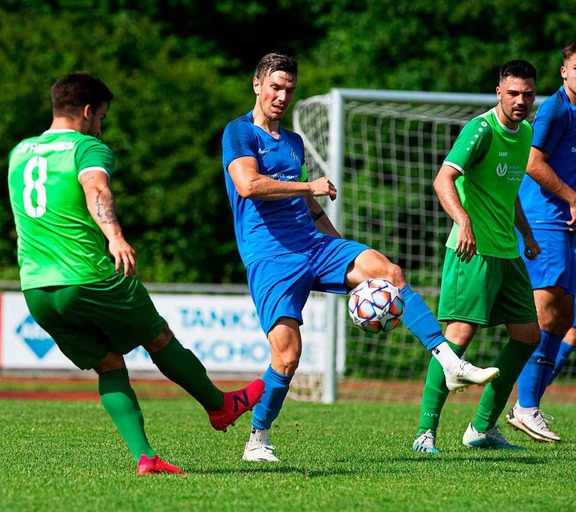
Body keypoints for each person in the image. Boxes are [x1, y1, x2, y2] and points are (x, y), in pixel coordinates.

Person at [221, 52, 499, 463]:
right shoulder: (240, 132)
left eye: (289, 90)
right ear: (257, 85)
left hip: (316, 246)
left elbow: (312, 209)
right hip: (271, 256)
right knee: (287, 355)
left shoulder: (294, 142)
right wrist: (309, 186)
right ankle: (257, 440)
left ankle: (448, 360)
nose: (282, 96)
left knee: (388, 271)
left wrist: (340, 245)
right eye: (275, 87)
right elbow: (248, 185)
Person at [7, 72, 265, 475]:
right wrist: (114, 236)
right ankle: (220, 407)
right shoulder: (87, 147)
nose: (100, 126)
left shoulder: (20, 152)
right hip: (88, 275)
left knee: (108, 364)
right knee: (158, 337)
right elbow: (96, 189)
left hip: (36, 287)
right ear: (89, 111)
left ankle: (146, 457)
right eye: (102, 117)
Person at [412, 60, 541, 454]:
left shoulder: (527, 133)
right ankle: (425, 433)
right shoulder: (480, 129)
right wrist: (463, 222)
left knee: (528, 336)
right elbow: (443, 178)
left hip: (507, 252)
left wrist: (527, 234)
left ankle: (482, 429)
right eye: (514, 93)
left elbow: (510, 190)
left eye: (528, 94)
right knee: (457, 338)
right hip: (473, 252)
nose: (521, 101)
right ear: (499, 93)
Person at [507, 41, 576, 443]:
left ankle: (520, 408)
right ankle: (523, 407)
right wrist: (571, 197)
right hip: (544, 220)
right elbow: (532, 162)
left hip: (566, 223)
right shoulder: (555, 108)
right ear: (564, 71)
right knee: (546, 316)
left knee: (563, 318)